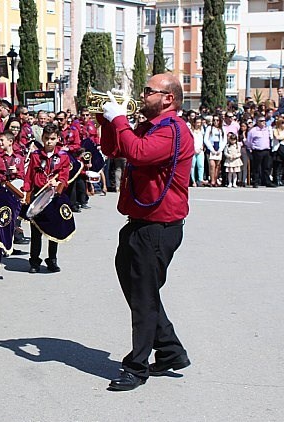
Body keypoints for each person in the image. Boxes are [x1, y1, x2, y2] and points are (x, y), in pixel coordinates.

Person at [98, 73, 194, 391]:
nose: (143, 95)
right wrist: (107, 119)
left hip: (158, 227)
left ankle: (136, 366)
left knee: (143, 299)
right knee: (141, 292)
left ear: (168, 98)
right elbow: (113, 149)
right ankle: (170, 351)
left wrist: (121, 119)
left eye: (148, 91)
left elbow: (138, 153)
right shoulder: (149, 126)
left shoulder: (172, 130)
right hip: (139, 223)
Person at [23, 124, 70, 274]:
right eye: (47, 139)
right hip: (38, 194)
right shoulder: (36, 156)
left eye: (52, 139)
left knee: (54, 230)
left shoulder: (63, 157)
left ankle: (52, 260)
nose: (49, 142)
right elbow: (29, 176)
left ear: (57, 139)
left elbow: (64, 176)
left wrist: (58, 183)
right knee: (36, 230)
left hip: (54, 196)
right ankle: (34, 261)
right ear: (42, 138)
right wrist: (26, 193)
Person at [246, 115, 275, 188]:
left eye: (264, 121)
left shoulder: (267, 129)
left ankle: (267, 181)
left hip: (266, 150)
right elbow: (249, 141)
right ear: (257, 122)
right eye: (261, 121)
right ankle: (256, 181)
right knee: (256, 167)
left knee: (266, 167)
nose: (263, 122)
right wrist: (252, 148)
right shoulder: (253, 130)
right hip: (257, 151)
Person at [203, 115, 226, 187]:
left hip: (219, 147)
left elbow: (224, 140)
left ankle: (215, 180)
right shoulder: (209, 128)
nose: (215, 122)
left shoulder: (222, 129)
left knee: (218, 166)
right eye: (214, 120)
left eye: (217, 120)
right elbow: (206, 139)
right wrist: (211, 149)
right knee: (212, 165)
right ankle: (212, 180)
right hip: (211, 148)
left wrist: (220, 149)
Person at [190, 116, 206, 187]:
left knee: (201, 165)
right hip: (193, 150)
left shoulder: (202, 130)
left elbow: (202, 140)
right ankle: (193, 181)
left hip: (200, 150)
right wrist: (193, 149)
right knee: (192, 166)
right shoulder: (191, 130)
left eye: (200, 122)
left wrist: (201, 147)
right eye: (197, 122)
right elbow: (190, 141)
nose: (198, 124)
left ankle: (200, 180)